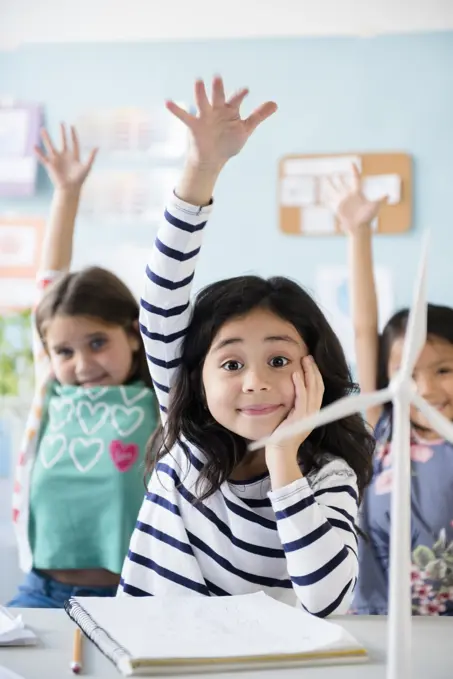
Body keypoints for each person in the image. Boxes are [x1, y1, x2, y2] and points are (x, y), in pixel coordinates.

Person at [119, 77, 375, 617]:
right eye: (231, 362)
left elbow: (326, 600)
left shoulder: (329, 473)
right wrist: (201, 170)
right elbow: (161, 301)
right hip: (151, 656)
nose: (255, 380)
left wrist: (283, 453)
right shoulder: (185, 435)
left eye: (278, 360)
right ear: (197, 377)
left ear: (315, 368)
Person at [8, 125, 158, 608]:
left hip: (131, 596)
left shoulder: (158, 400)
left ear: (134, 335)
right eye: (65, 351)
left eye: (97, 342)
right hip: (43, 591)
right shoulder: (51, 394)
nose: (82, 363)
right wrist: (66, 193)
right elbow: (48, 288)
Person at [334, 165, 453, 616]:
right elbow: (365, 329)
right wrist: (358, 234)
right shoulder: (382, 425)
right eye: (407, 371)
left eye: (444, 369)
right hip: (377, 619)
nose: (424, 387)